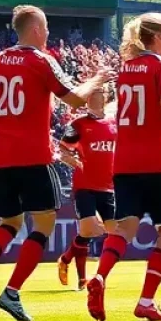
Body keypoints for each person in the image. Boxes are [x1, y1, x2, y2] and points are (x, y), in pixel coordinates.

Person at [0, 6, 108, 321]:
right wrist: (97, 79)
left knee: (9, 222)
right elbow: (74, 99)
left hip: (1, 159)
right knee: (43, 225)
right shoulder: (41, 61)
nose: (47, 34)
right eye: (45, 28)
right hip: (33, 156)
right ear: (34, 30)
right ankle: (11, 292)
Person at [86, 13, 161, 321]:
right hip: (156, 160)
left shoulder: (127, 68)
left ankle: (100, 276)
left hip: (124, 161)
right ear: (157, 37)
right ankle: (146, 300)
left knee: (124, 228)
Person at [56, 84, 117, 291]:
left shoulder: (114, 124)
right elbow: (63, 150)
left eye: (97, 92)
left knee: (114, 232)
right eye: (90, 93)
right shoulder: (78, 124)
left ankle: (66, 259)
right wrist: (72, 161)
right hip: (85, 185)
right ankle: (84, 279)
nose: (93, 96)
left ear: (106, 96)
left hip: (108, 187)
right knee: (90, 228)